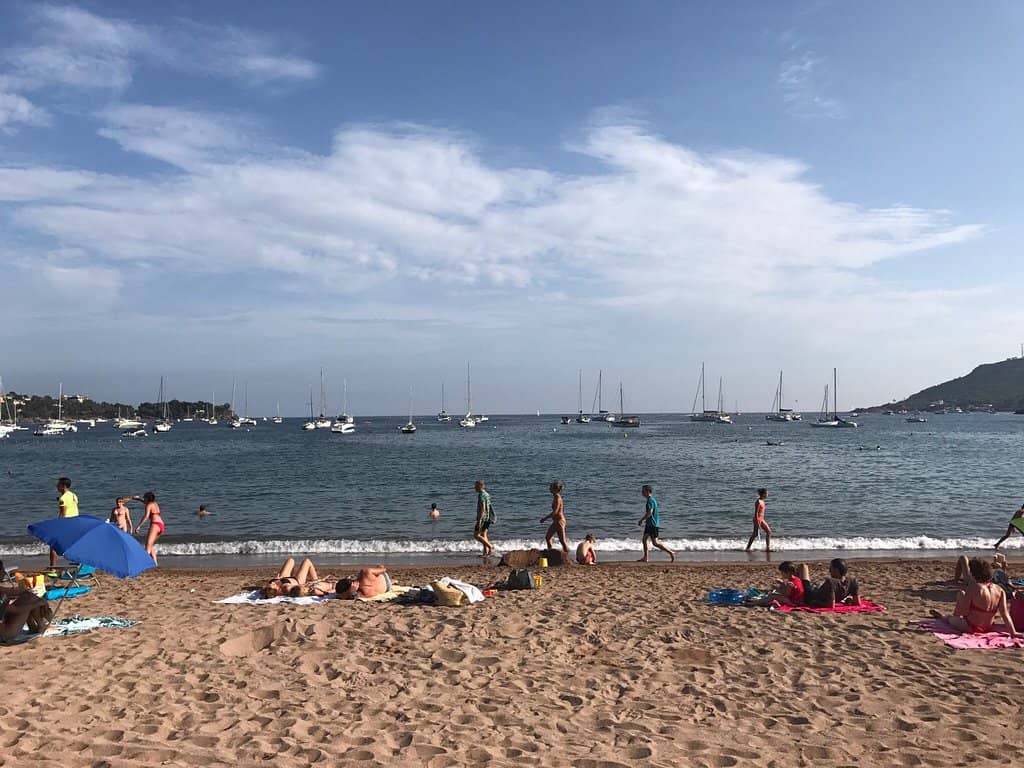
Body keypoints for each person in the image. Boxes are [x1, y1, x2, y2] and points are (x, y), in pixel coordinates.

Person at [932, 557, 1017, 636]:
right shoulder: (1000, 590)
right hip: (988, 627)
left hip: (971, 627)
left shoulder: (974, 587)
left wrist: (961, 601)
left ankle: (945, 617)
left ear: (973, 574)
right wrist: (1013, 632)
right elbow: (1005, 614)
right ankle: (952, 617)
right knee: (964, 598)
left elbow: (964, 611)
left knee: (952, 614)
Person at [262, 557, 336, 598]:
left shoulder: (270, 587)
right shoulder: (286, 588)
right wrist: (314, 582)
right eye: (272, 585)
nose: (272, 583)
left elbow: (264, 590)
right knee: (307, 561)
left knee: (290, 560)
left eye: (271, 583)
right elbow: (298, 589)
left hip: (284, 578)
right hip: (297, 580)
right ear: (275, 591)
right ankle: (316, 580)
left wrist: (277, 579)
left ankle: (316, 581)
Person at [637, 484, 675, 563]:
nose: (642, 493)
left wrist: (641, 520)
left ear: (648, 491)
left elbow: (650, 513)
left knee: (655, 543)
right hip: (649, 524)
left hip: (652, 524)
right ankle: (645, 558)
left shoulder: (650, 500)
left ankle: (670, 552)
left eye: (643, 491)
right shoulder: (652, 500)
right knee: (644, 540)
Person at [49, 477, 79, 568]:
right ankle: (78, 562)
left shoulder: (63, 498)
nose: (57, 486)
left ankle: (52, 568)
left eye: (58, 485)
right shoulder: (73, 495)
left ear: (64, 486)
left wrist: (57, 526)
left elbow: (63, 514)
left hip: (66, 524)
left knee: (53, 544)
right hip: (76, 522)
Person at [132, 492, 165, 565]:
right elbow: (145, 502)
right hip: (161, 525)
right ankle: (155, 563)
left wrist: (139, 526)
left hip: (155, 525)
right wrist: (138, 499)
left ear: (147, 498)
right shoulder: (155, 504)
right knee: (150, 545)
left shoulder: (148, 505)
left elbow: (146, 516)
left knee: (147, 546)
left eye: (144, 497)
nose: (144, 498)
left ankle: (144, 563)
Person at [540, 481, 569, 554]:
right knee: (550, 538)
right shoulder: (555, 497)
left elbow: (555, 512)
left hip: (559, 521)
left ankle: (565, 555)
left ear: (555, 489)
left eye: (551, 487)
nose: (549, 489)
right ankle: (551, 553)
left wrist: (545, 518)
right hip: (556, 521)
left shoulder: (557, 498)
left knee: (560, 540)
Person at [745, 488, 771, 553]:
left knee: (768, 532)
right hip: (757, 519)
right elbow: (756, 513)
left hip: (762, 519)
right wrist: (757, 522)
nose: (767, 494)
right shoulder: (758, 501)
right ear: (763, 494)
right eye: (767, 493)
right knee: (755, 534)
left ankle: (768, 548)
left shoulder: (762, 501)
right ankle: (748, 548)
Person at [473, 480, 495, 557]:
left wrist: (479, 520)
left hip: (483, 518)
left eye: (476, 486)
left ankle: (490, 547)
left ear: (480, 486)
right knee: (483, 534)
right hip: (488, 517)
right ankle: (485, 552)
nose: (474, 487)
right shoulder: (486, 494)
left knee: (476, 535)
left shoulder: (482, 495)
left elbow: (483, 508)